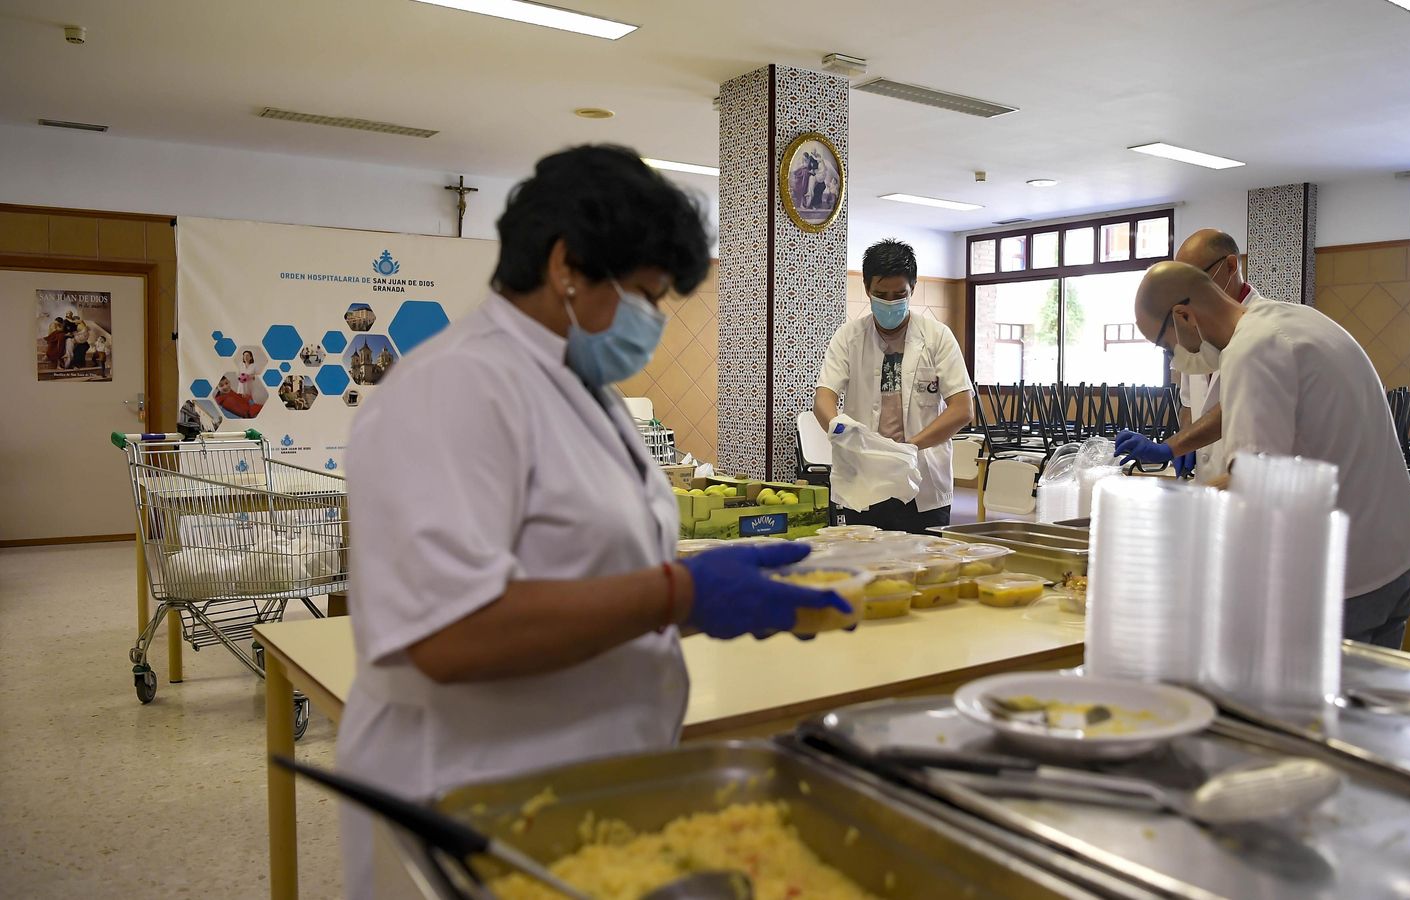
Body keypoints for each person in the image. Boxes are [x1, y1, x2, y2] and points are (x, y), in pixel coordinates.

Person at [336, 144, 853, 900]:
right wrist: (676, 597)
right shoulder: (456, 388)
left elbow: (584, 573)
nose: (651, 321)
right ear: (566, 266)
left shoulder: (583, 387)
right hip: (470, 799)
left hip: (578, 791)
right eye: (643, 292)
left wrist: (693, 606)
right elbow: (448, 634)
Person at [1131, 261, 1410, 648]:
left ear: (1184, 316)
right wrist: (1176, 448)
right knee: (1364, 702)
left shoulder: (1250, 349)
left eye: (1165, 344)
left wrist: (1166, 517)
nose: (1175, 359)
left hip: (1343, 580)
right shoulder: (1295, 319)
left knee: (1309, 706)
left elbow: (1255, 487)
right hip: (1394, 562)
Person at [814, 239, 974, 534]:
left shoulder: (938, 337)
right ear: (866, 290)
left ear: (912, 289)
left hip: (923, 484)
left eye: (899, 295)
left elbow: (962, 409)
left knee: (924, 572)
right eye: (881, 294)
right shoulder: (848, 337)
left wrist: (908, 448)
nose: (890, 302)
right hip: (864, 481)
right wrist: (838, 427)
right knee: (866, 569)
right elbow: (824, 398)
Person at [1115, 229, 1265, 483]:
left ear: (1230, 266)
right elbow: (1189, 404)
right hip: (1215, 481)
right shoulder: (1193, 328)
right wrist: (1184, 442)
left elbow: (1234, 411)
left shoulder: (1261, 335)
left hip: (1251, 485)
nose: (1185, 291)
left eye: (1195, 278)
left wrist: (1172, 447)